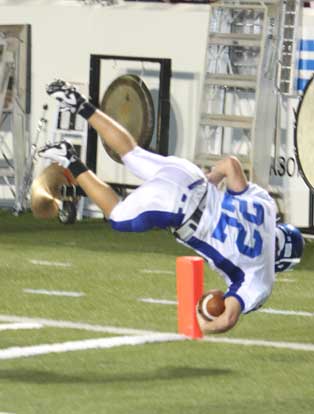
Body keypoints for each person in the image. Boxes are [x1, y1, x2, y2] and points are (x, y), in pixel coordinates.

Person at [36, 79, 304, 334]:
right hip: (179, 210)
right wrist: (200, 322)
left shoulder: (266, 207)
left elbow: (231, 165)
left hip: (191, 178)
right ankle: (68, 158)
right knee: (117, 216)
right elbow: (227, 318)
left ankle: (79, 103)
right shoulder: (261, 278)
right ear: (281, 261)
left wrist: (208, 181)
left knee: (132, 154)